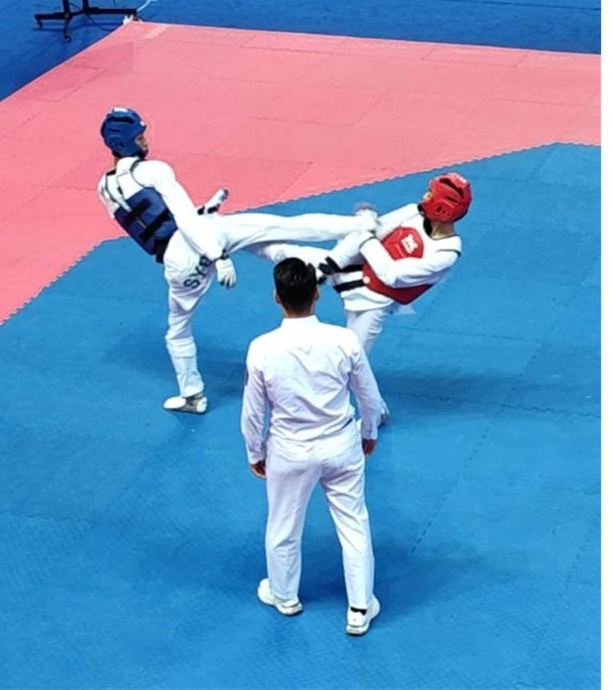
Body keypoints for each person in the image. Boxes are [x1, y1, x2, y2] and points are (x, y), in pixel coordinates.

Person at [96, 107, 380, 414]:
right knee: (279, 229)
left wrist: (203, 214)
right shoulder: (154, 170)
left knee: (177, 330)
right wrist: (217, 256)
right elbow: (184, 219)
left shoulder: (104, 189)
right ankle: (361, 228)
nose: (145, 141)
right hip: (204, 240)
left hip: (177, 265)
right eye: (139, 137)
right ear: (124, 141)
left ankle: (191, 395)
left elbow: (150, 224)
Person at [252, 172, 472, 420]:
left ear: (443, 208)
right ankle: (231, 237)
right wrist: (337, 258)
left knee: (351, 364)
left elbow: (391, 274)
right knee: (284, 253)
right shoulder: (413, 212)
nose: (425, 196)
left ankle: (376, 413)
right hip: (347, 267)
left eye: (431, 194)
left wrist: (365, 231)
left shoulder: (444, 253)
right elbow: (374, 232)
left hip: (372, 303)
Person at [241, 258, 382, 636]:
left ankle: (285, 596)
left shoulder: (262, 349)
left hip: (290, 450)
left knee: (283, 525)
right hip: (341, 444)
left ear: (276, 296)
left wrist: (255, 451)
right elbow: (369, 396)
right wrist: (369, 430)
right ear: (317, 293)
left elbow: (252, 412)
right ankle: (359, 607)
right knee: (354, 523)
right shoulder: (345, 340)